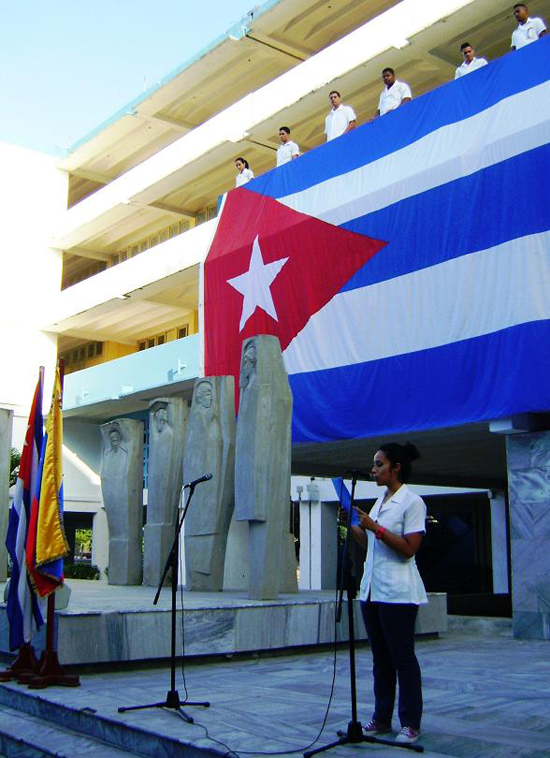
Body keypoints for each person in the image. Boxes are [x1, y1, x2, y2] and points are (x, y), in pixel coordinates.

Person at [350, 442, 427, 744]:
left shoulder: (412, 502)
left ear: (396, 467)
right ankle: (381, 718)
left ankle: (410, 722)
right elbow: (371, 545)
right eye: (374, 464)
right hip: (372, 590)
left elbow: (409, 549)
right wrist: (354, 527)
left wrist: (375, 527)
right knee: (380, 659)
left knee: (402, 658)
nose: (373, 470)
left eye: (379, 464)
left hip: (398, 592)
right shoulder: (380, 501)